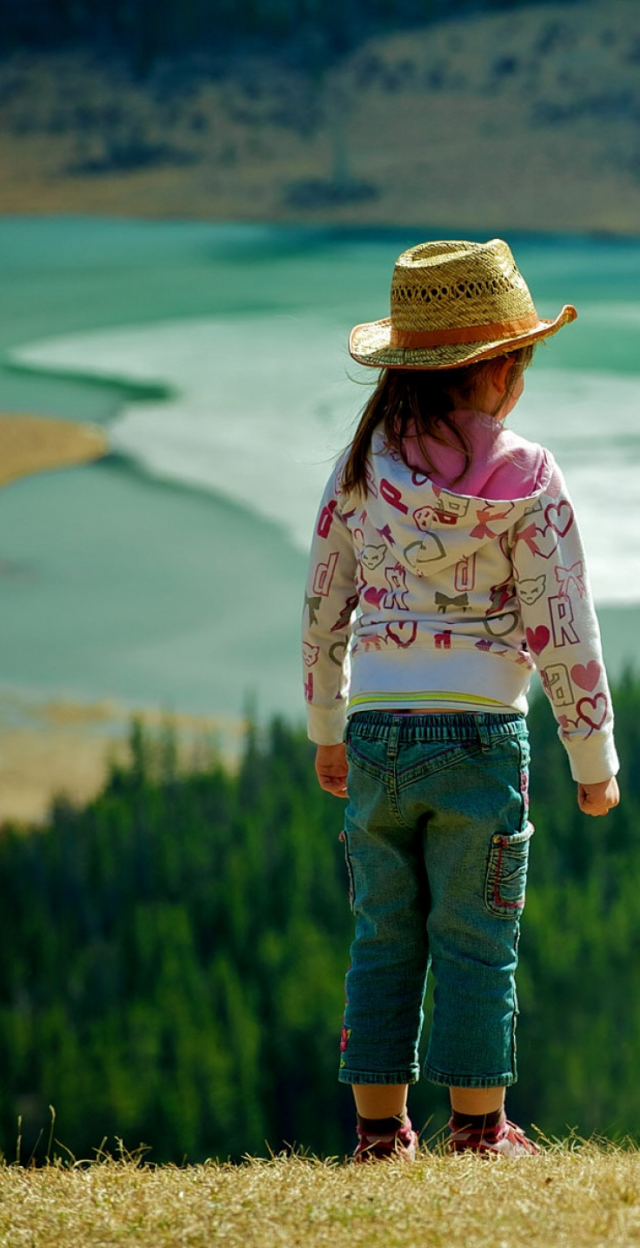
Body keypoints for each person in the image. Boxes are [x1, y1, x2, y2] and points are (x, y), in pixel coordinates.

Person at [302, 238, 620, 1161]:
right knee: (480, 937)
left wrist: (329, 726)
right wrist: (592, 763)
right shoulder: (530, 479)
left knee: (383, 934)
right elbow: (566, 629)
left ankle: (375, 1134)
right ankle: (479, 1130)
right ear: (507, 370)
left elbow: (324, 603)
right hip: (483, 737)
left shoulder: (363, 469)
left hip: (374, 735)